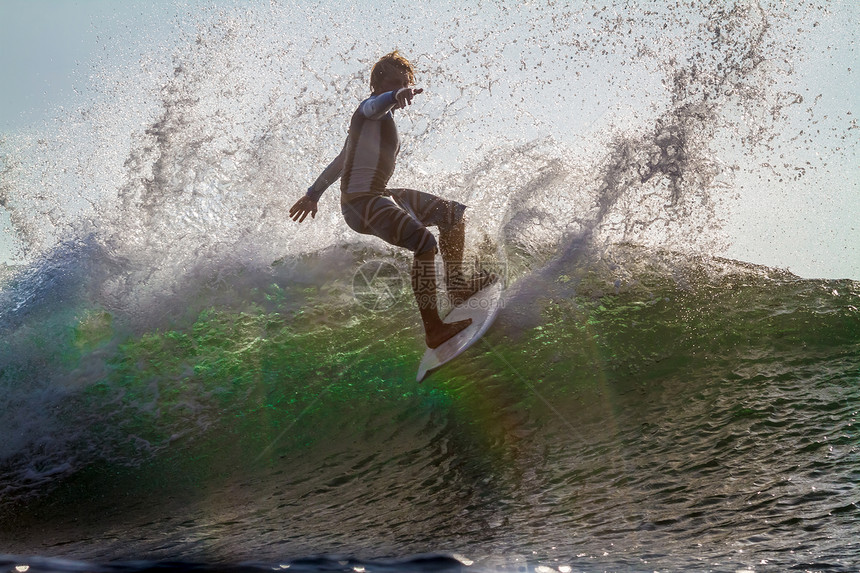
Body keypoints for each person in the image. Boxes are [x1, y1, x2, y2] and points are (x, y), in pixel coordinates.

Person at [289, 51, 493, 349]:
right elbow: (375, 105)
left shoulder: (376, 123)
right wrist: (397, 93)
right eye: (393, 83)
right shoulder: (367, 110)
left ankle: (457, 287)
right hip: (361, 204)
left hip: (380, 195)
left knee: (452, 214)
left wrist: (313, 194)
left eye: (405, 82)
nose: (400, 88)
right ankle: (433, 329)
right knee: (424, 243)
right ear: (377, 84)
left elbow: (341, 160)